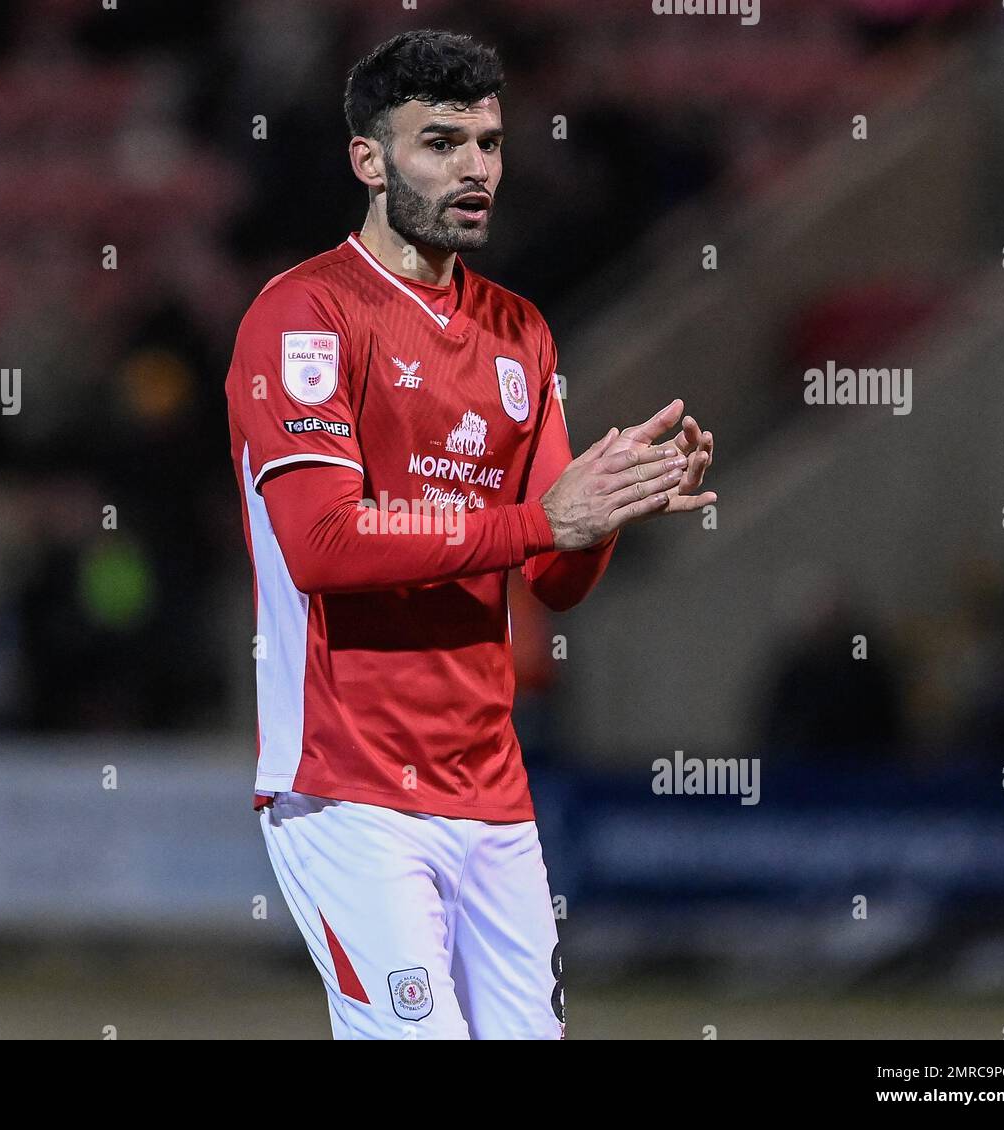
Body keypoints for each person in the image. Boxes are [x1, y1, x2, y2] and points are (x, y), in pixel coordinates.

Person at [224, 28, 715, 1039]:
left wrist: (604, 508)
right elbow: (322, 542)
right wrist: (543, 516)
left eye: (487, 143)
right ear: (369, 159)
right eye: (439, 142)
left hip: (491, 792)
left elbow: (554, 573)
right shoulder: (305, 316)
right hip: (346, 787)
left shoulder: (518, 331)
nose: (474, 168)